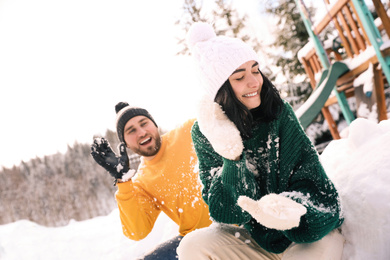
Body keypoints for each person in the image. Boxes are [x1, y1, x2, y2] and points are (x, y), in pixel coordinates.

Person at [177, 22, 345, 260]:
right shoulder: (206, 131)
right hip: (259, 241)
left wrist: (290, 209)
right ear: (220, 89)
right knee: (191, 246)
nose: (254, 82)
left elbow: (319, 190)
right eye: (239, 77)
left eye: (255, 71)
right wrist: (232, 156)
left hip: (309, 234)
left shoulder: (279, 113)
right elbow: (226, 212)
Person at [90, 102, 212, 260]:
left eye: (144, 123)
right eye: (131, 130)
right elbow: (137, 231)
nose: (141, 132)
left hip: (235, 223)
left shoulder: (188, 131)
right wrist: (123, 180)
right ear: (125, 143)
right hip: (195, 241)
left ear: (155, 125)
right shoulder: (143, 181)